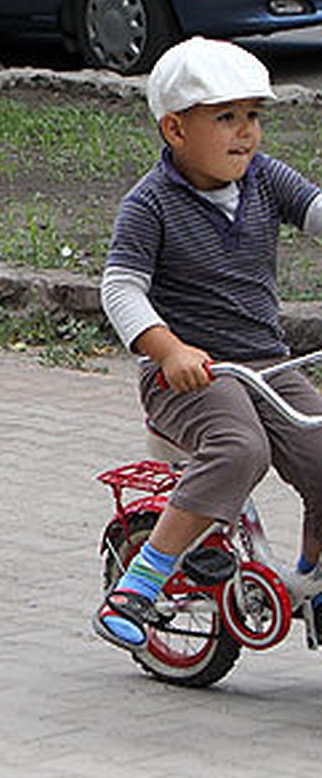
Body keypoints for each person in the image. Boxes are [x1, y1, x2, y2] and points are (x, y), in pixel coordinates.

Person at [93, 36, 322, 651]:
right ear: (174, 129)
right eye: (226, 118)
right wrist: (167, 349)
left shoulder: (264, 179)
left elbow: (316, 210)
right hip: (190, 374)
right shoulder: (152, 203)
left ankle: (311, 580)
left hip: (268, 363)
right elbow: (120, 288)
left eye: (253, 116)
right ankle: (142, 582)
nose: (245, 134)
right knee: (239, 447)